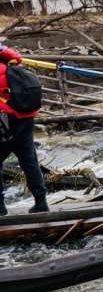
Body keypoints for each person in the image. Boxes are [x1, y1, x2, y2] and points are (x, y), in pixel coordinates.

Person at [0, 41, 48, 214]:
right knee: (29, 160)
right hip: (26, 117)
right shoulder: (13, 65)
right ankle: (41, 201)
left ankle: (0, 208)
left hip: (5, 119)